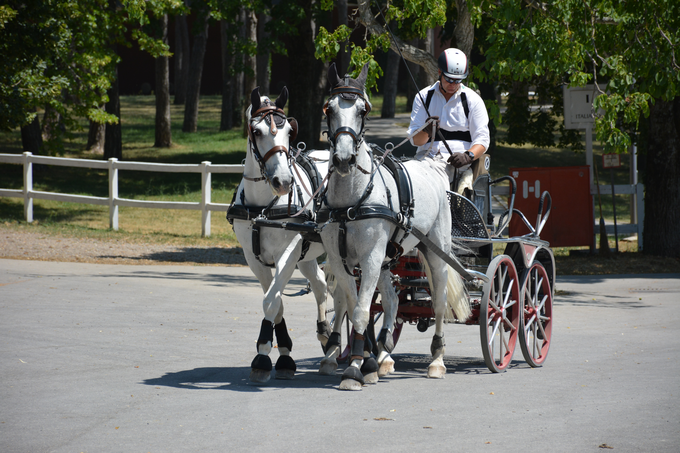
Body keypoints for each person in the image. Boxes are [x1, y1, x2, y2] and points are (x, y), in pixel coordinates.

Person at [407, 48, 490, 191]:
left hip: (458, 166)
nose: (453, 84)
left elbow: (482, 140)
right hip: (425, 161)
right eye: (449, 79)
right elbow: (416, 141)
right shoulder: (423, 97)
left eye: (458, 80)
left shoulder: (472, 100)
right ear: (439, 73)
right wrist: (426, 131)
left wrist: (468, 156)